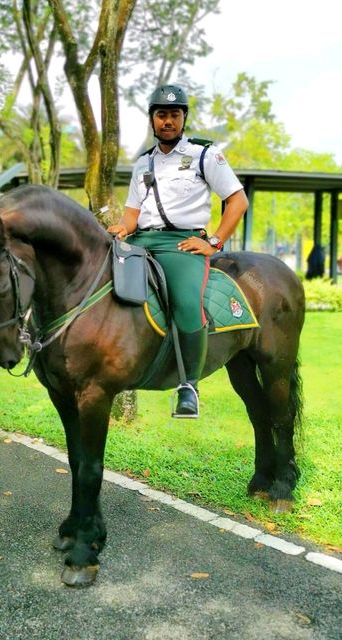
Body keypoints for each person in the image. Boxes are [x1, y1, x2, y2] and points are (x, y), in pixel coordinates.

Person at [108, 84, 248, 419]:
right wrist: (122, 228)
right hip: (141, 240)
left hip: (181, 244)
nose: (167, 121)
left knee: (186, 302)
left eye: (174, 114)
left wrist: (213, 241)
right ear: (152, 121)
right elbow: (133, 212)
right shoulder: (143, 163)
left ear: (183, 118)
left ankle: (188, 387)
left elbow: (237, 201)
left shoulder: (204, 154)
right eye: (161, 115)